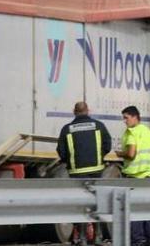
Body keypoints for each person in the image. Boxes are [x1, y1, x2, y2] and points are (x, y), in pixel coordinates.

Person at [57, 101, 111, 246]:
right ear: (88, 110)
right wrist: (99, 157)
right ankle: (98, 236)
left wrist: (69, 162)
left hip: (77, 173)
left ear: (73, 111)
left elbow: (61, 152)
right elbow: (108, 145)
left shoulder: (67, 129)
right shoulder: (99, 126)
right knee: (96, 202)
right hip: (96, 171)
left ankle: (81, 237)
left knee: (80, 205)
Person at [116, 105, 150, 246]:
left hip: (135, 177)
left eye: (126, 118)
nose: (125, 121)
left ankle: (138, 240)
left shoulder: (131, 132)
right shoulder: (148, 132)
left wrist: (119, 153)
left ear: (135, 117)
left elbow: (131, 154)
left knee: (134, 211)